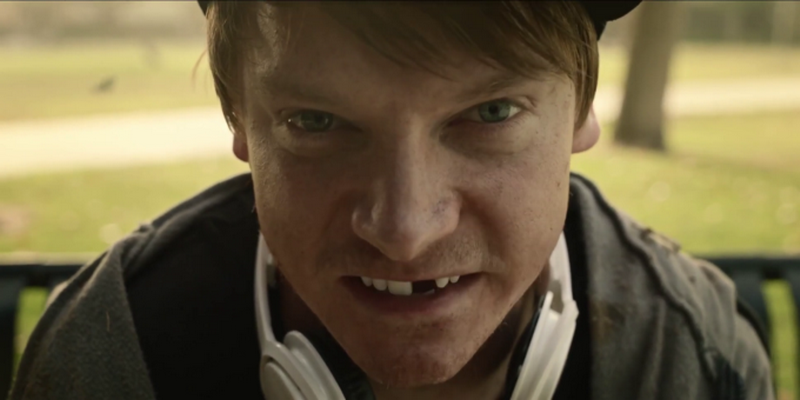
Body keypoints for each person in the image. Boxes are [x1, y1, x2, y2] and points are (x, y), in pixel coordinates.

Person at [11, 2, 774, 400]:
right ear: (239, 121)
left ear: (579, 111)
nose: (405, 231)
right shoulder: (113, 357)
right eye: (316, 122)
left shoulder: (691, 356)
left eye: (490, 113)